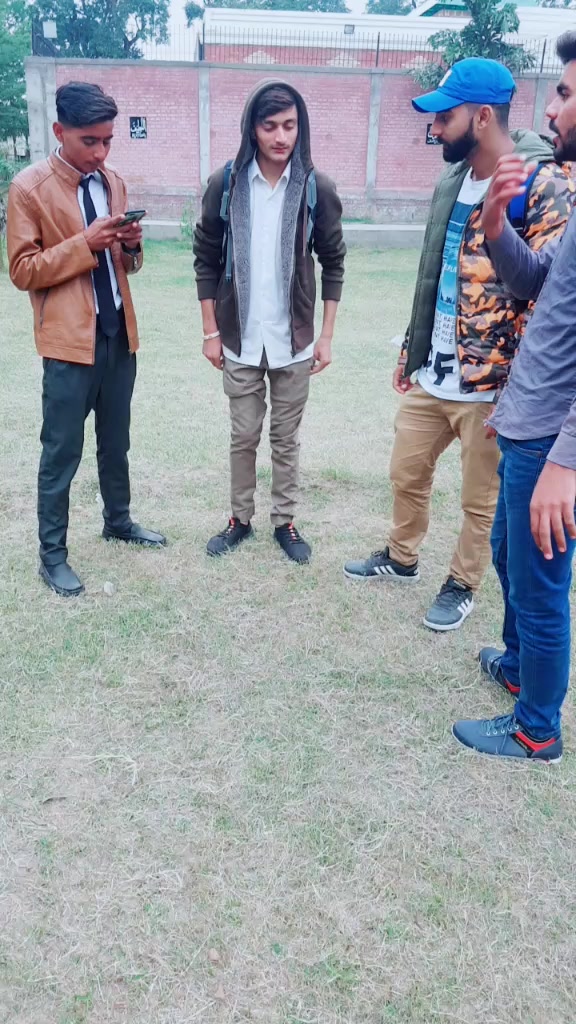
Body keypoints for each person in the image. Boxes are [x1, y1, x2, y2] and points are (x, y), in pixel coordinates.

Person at [343, 58, 573, 631]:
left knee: (480, 499)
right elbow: (434, 271)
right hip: (435, 369)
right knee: (406, 470)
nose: (435, 128)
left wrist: (518, 388)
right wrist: (413, 347)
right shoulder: (453, 180)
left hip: (493, 381)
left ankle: (462, 584)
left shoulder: (539, 183)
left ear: (483, 116)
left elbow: (548, 295)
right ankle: (402, 557)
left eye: (446, 117)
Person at [452, 32, 576, 762]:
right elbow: (534, 281)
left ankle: (536, 729)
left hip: (554, 440)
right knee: (509, 554)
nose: (551, 109)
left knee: (541, 587)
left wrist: (566, 461)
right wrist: (496, 225)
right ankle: (520, 667)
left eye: (564, 93)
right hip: (527, 423)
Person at [7, 81, 166, 598]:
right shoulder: (28, 188)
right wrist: (85, 243)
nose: (100, 152)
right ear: (60, 131)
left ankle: (118, 521)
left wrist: (130, 247)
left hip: (117, 334)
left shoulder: (113, 182)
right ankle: (52, 556)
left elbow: (127, 267)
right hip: (67, 343)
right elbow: (22, 270)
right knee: (61, 451)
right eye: (89, 141)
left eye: (108, 140)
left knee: (116, 441)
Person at [193, 81, 345, 565]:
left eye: (290, 125)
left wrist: (325, 336)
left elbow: (334, 262)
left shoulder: (316, 188)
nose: (281, 137)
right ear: (252, 129)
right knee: (243, 435)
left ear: (301, 128)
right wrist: (210, 331)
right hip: (238, 337)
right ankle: (239, 519)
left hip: (293, 341)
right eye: (270, 126)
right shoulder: (226, 184)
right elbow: (205, 258)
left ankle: (285, 521)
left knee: (285, 438)